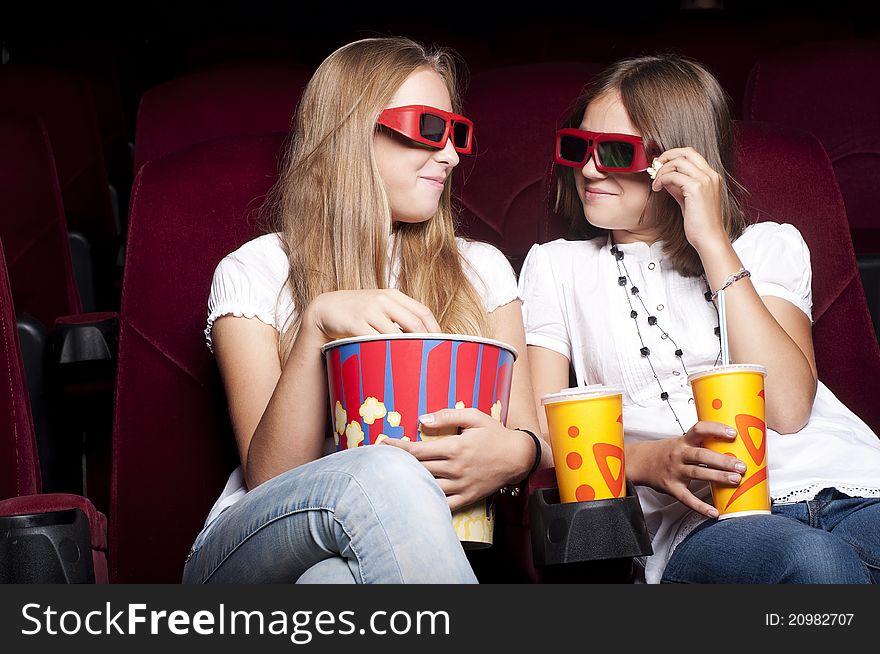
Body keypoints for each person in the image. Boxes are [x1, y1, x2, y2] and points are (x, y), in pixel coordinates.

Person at [182, 37, 547, 584]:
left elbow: (531, 434)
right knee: (386, 470)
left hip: (401, 553)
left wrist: (515, 455)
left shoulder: (482, 268)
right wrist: (316, 327)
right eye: (428, 128)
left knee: (329, 583)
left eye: (457, 133)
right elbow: (271, 479)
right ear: (353, 132)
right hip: (250, 549)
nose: (450, 154)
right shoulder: (255, 269)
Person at [519, 54, 880, 584]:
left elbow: (786, 409)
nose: (589, 169)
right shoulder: (556, 266)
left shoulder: (767, 245)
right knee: (819, 565)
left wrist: (711, 242)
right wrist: (648, 462)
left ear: (678, 163)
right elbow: (545, 438)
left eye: (616, 152)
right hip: (707, 519)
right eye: (578, 147)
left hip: (850, 484)